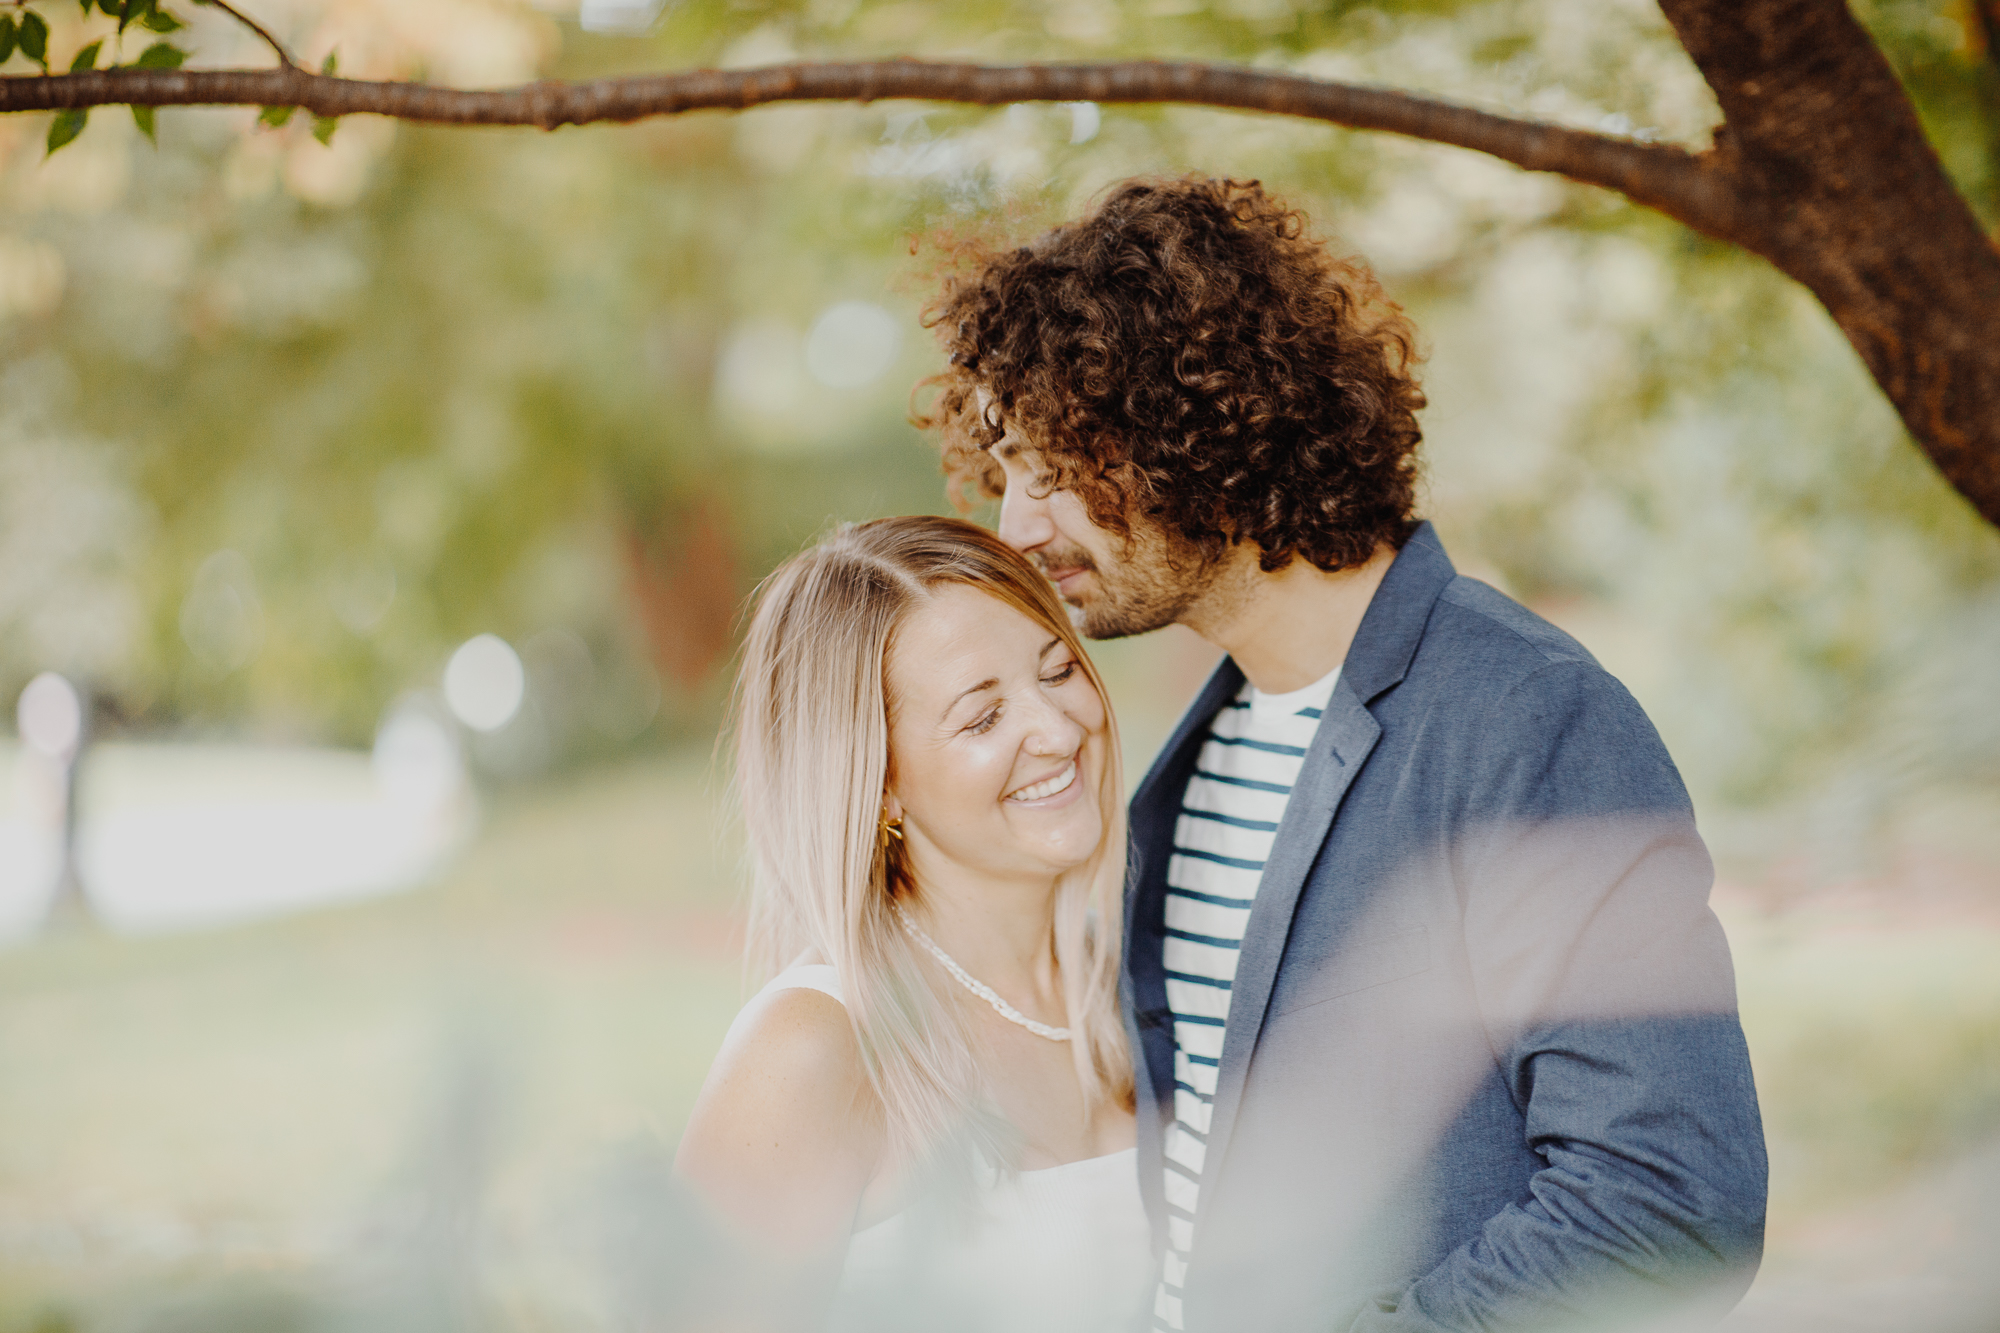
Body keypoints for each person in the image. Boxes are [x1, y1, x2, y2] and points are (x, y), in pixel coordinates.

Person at [920, 176, 1769, 1333]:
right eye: (1004, 471)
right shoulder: (1196, 750)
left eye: (1049, 466)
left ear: (1190, 422)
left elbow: (1671, 1202)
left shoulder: (1525, 717)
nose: (1016, 527)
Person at [675, 515, 1153, 1333]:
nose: (1059, 730)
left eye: (1059, 668)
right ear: (881, 782)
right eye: (981, 717)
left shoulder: (1147, 981)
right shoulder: (817, 1046)